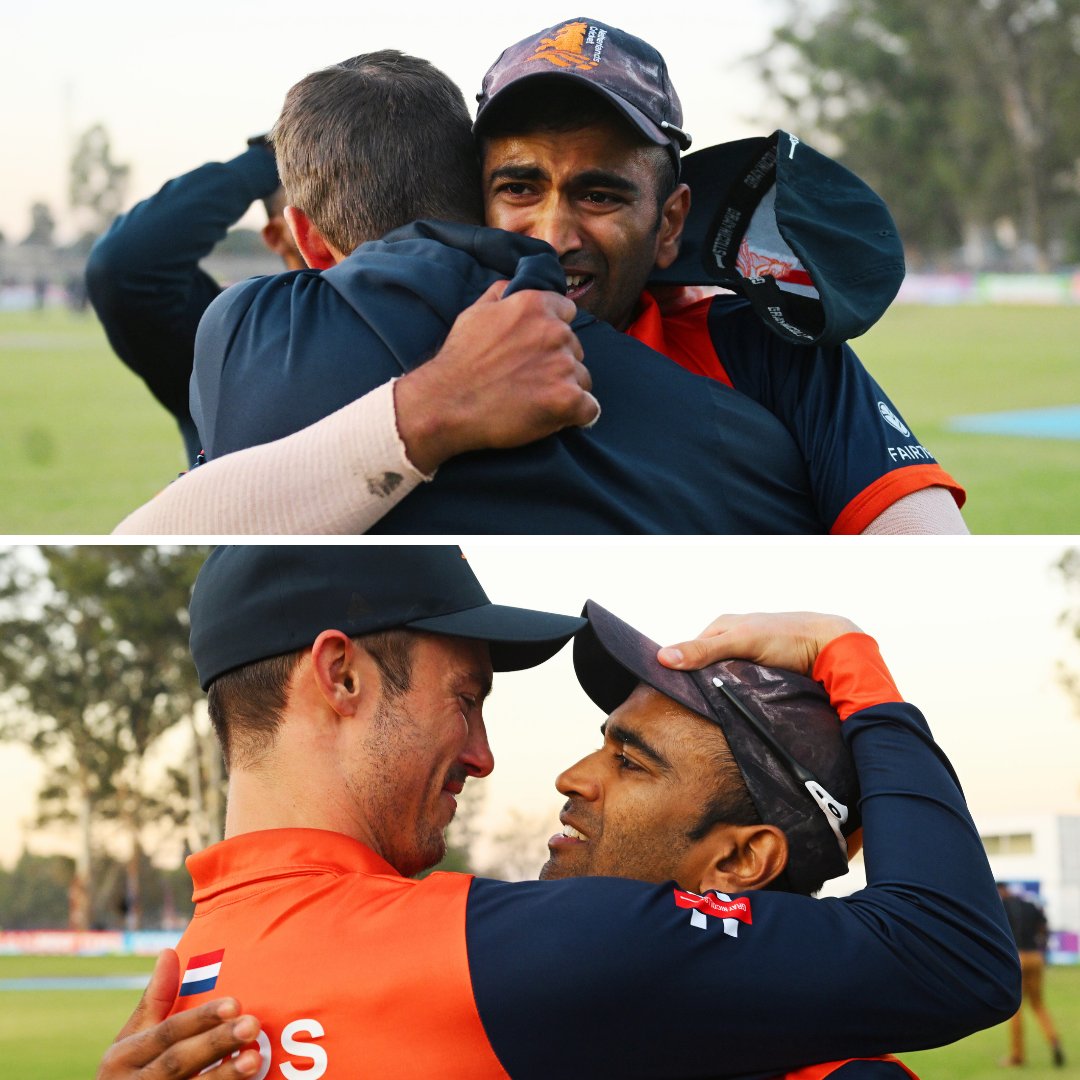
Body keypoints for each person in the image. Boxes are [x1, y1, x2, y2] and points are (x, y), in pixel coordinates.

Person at [96, 545, 1015, 1078]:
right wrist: (850, 654)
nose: (491, 756)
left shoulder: (192, 986)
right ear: (340, 676)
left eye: (629, 757)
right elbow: (954, 956)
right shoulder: (494, 953)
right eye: (467, 697)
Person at [113, 23, 966, 536]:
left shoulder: (766, 349)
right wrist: (431, 407)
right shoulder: (384, 333)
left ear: (670, 222)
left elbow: (928, 548)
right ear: (469, 198)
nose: (554, 234)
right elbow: (171, 531)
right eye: (519, 187)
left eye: (599, 194)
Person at [85, 136, 305, 462]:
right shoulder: (232, 340)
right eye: (317, 195)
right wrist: (272, 157)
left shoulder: (398, 311)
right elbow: (124, 265)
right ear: (277, 234)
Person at [997, 883, 1066, 1067]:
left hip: (1017, 959)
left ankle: (1017, 1056)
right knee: (1038, 1004)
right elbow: (1044, 928)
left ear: (1001, 891)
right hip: (1035, 957)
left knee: (1016, 1009)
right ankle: (1054, 1041)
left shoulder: (1001, 907)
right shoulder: (1030, 905)